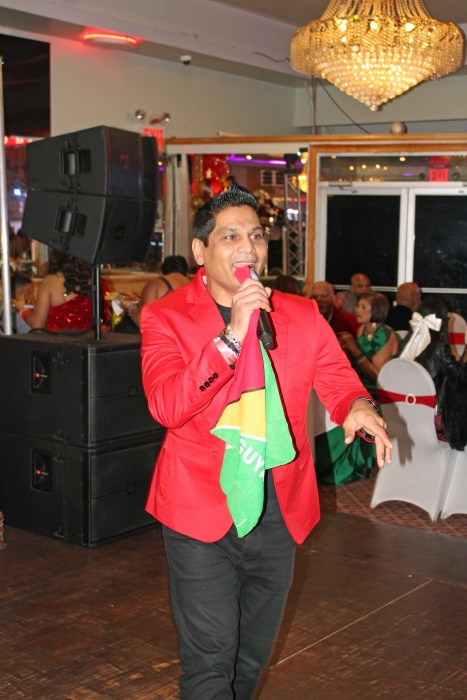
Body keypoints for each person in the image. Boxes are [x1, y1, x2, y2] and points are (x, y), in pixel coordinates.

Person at [140, 183, 392, 699]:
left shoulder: (299, 314)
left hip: (276, 508)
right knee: (210, 662)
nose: (246, 247)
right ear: (200, 252)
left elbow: (339, 381)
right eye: (230, 236)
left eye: (254, 236)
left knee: (251, 660)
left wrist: (358, 406)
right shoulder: (165, 317)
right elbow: (167, 406)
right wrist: (232, 336)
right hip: (199, 511)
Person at [398, 297, 459, 440]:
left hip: (404, 411)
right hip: (433, 418)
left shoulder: (406, 344)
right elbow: (459, 377)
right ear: (443, 321)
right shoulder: (440, 348)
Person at [22, 251, 105, 331]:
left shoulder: (51, 282)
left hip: (58, 343)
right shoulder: (95, 280)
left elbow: (37, 324)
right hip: (87, 343)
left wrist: (23, 312)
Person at [122, 254, 190, 329]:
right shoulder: (196, 285)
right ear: (187, 273)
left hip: (166, 338)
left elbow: (142, 321)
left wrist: (131, 308)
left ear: (161, 273)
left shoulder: (157, 284)